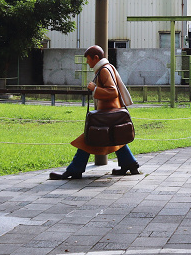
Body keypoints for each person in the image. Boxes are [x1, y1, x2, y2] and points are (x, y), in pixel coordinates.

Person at [49, 45, 141, 179]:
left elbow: (113, 91)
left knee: (87, 139)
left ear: (96, 58)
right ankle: (130, 163)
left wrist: (95, 89)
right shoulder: (106, 68)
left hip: (108, 113)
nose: (87, 62)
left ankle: (75, 169)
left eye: (88, 59)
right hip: (111, 112)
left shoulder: (103, 70)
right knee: (115, 137)